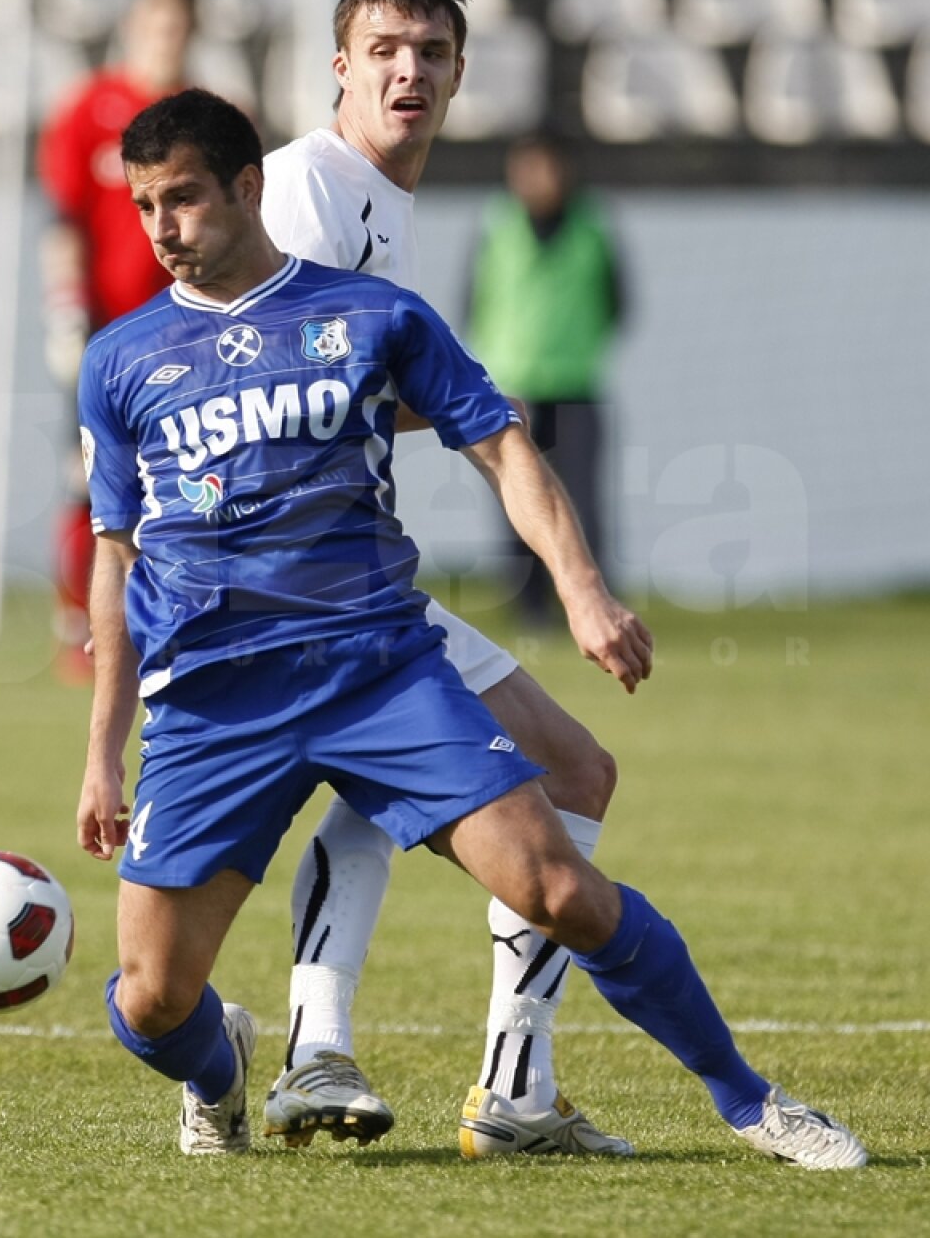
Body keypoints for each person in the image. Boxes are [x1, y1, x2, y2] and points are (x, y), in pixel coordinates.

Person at [75, 87, 865, 1173]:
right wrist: (101, 755)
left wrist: (582, 591)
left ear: (248, 188)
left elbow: (502, 445)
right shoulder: (120, 359)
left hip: (375, 670)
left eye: (185, 200)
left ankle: (751, 1103)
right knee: (156, 1000)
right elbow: (114, 561)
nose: (163, 229)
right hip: (213, 701)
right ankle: (221, 1078)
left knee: (562, 890)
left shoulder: (371, 316)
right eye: (145, 206)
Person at [258, 0, 627, 1156]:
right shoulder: (309, 192)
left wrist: (450, 400)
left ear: (460, 73)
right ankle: (340, 1058)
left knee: (562, 776)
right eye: (384, 49)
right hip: (293, 577)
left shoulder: (382, 203)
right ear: (341, 67)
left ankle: (450, 1077)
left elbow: (346, 387)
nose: (408, 69)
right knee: (560, 774)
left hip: (351, 570)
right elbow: (255, 371)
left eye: (429, 51)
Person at [37, 0, 196, 680]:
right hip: (106, 340)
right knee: (90, 482)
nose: (167, 36)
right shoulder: (86, 112)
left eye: (178, 25)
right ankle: (80, 627)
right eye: (156, 23)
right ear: (134, 25)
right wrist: (67, 309)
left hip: (188, 338)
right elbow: (62, 221)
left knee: (192, 480)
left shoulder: (208, 118)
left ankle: (178, 621)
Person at [467, 126, 623, 624]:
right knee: (521, 500)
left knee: (582, 502)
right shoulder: (496, 225)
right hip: (514, 388)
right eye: (527, 166)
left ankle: (592, 606)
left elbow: (617, 302)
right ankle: (529, 608)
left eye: (547, 166)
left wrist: (578, 346)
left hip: (576, 386)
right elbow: (474, 302)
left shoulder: (593, 226)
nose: (537, 178)